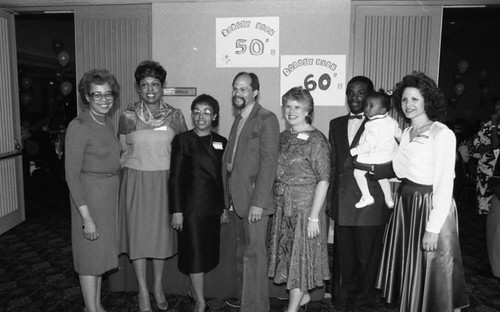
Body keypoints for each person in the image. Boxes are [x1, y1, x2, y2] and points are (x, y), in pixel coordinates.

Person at [375, 71, 469, 312]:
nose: (409, 105)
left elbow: (444, 183)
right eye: (405, 100)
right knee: (413, 270)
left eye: (415, 99)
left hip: (431, 205)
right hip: (407, 204)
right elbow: (403, 171)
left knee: (435, 275)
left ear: (427, 100)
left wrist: (433, 228)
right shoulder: (407, 133)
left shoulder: (442, 133)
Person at [118, 60, 187, 312]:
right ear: (138, 88)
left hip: (164, 182)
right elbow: (122, 149)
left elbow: (183, 152)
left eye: (155, 84)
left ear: (162, 87)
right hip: (135, 181)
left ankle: (157, 286)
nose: (150, 89)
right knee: (138, 237)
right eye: (145, 84)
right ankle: (142, 291)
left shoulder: (175, 115)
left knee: (159, 237)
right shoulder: (127, 115)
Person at [327, 76, 390, 312]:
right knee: (346, 260)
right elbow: (334, 165)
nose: (354, 97)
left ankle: (364, 305)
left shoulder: (382, 123)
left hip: (370, 203)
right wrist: (330, 200)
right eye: (350, 92)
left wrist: (373, 169)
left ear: (370, 96)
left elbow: (394, 162)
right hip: (343, 202)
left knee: (368, 259)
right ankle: (348, 303)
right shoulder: (335, 123)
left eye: (360, 93)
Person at [268, 87, 330, 312]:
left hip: (306, 209)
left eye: (297, 107)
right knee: (290, 258)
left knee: (301, 259)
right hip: (284, 207)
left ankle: (292, 309)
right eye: (288, 106)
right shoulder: (283, 137)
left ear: (308, 111)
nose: (291, 111)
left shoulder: (316, 139)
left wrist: (314, 217)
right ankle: (301, 299)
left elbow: (324, 179)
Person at [222, 72, 279, 312]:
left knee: (255, 256)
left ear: (255, 92)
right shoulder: (240, 118)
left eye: (244, 89)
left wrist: (259, 202)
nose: (238, 93)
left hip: (256, 201)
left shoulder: (266, 118)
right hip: (239, 199)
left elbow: (269, 163)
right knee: (242, 253)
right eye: (236, 88)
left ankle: (255, 307)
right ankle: (246, 298)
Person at [65, 69, 121, 312]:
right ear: (86, 97)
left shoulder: (107, 121)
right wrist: (86, 218)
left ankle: (95, 306)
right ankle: (91, 308)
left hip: (108, 198)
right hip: (89, 199)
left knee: (99, 257)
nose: (104, 99)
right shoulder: (78, 125)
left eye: (108, 94)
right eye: (96, 95)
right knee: (89, 258)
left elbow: (109, 156)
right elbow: (71, 175)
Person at [169, 94, 229, 312]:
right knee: (194, 254)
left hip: (212, 209)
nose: (200, 116)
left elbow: (222, 179)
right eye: (196, 111)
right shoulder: (182, 140)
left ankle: (194, 292)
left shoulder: (222, 142)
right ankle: (201, 301)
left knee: (206, 254)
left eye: (206, 112)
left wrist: (224, 207)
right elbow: (174, 178)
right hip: (191, 208)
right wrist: (176, 210)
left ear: (214, 116)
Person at [350, 90, 402, 209]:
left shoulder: (373, 125)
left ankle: (367, 196)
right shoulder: (392, 121)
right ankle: (389, 199)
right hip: (388, 157)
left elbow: (368, 145)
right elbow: (400, 136)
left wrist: (355, 151)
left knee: (357, 173)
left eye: (371, 106)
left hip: (374, 157)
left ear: (382, 110)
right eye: (366, 105)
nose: (367, 108)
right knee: (382, 177)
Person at [472, 97, 500, 215]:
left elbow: (495, 145)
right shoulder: (486, 125)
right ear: (492, 108)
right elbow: (475, 148)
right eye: (498, 105)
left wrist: (492, 146)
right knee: (484, 209)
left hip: (498, 172)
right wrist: (493, 124)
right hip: (486, 172)